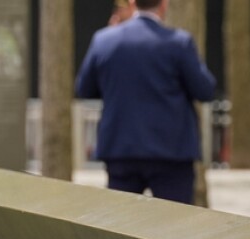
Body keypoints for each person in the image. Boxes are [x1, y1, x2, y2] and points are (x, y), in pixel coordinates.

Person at [75, 0, 216, 205]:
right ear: (164, 4)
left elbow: (84, 89)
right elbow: (205, 90)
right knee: (176, 220)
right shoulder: (179, 42)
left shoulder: (104, 40)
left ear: (133, 3)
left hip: (121, 149)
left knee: (122, 219)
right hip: (172, 151)